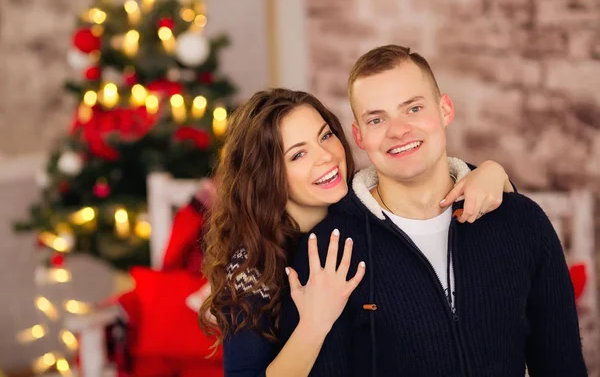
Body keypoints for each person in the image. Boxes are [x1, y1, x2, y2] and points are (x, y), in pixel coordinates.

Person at [278, 45, 587, 376]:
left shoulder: (521, 222)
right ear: (359, 135)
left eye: (413, 108)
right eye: (377, 119)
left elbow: (562, 365)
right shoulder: (329, 251)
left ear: (445, 109)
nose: (398, 130)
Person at [200, 88, 515, 377]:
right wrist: (315, 322)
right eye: (298, 154)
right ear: (267, 176)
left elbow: (456, 191)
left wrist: (492, 173)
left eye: (325, 136)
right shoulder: (253, 267)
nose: (325, 156)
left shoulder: (370, 201)